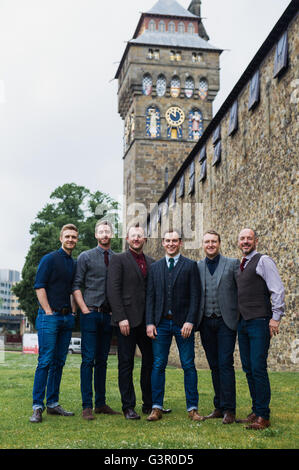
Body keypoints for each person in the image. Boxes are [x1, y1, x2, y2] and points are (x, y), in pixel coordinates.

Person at [146, 228, 204, 422]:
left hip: (183, 325)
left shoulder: (190, 266)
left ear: (180, 243)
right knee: (158, 364)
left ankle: (193, 408)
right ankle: (156, 407)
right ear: (163, 243)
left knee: (188, 364)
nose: (171, 244)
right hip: (161, 323)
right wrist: (150, 323)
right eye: (167, 240)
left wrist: (190, 321)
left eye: (174, 240)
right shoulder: (155, 267)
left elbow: (196, 296)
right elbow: (150, 297)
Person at [236, 228, 285, 430]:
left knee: (258, 367)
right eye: (242, 239)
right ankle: (256, 410)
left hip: (259, 321)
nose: (246, 241)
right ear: (238, 242)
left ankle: (263, 416)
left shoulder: (264, 261)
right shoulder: (241, 264)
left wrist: (276, 317)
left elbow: (277, 289)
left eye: (249, 238)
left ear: (256, 240)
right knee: (248, 368)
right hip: (243, 322)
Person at [30, 224, 78, 423]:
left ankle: (52, 404)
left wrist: (73, 313)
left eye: (74, 237)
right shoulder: (49, 259)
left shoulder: (73, 263)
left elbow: (72, 290)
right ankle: (37, 406)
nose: (70, 240)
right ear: (61, 238)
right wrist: (49, 312)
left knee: (59, 362)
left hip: (67, 319)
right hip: (49, 317)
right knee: (45, 361)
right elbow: (39, 286)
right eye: (67, 236)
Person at [72, 220, 120, 420]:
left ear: (112, 234)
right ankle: (87, 405)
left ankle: (100, 403)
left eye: (108, 231)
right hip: (90, 314)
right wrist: (84, 310)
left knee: (102, 360)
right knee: (88, 359)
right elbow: (76, 285)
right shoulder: (86, 257)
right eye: (101, 231)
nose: (105, 234)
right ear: (95, 235)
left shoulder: (118, 259)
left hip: (108, 316)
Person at [107, 224, 154, 419]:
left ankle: (150, 404)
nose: (136, 239)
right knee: (126, 364)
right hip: (126, 321)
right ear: (127, 239)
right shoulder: (118, 260)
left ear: (145, 239)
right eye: (133, 236)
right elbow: (113, 290)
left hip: (147, 322)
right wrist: (120, 317)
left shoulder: (152, 262)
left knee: (150, 362)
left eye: (140, 236)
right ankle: (128, 406)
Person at [197, 230, 239, 424]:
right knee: (214, 365)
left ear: (219, 243)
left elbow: (241, 291)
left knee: (225, 363)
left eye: (214, 241)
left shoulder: (232, 264)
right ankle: (219, 406)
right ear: (203, 245)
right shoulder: (197, 266)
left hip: (226, 321)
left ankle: (230, 409)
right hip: (206, 322)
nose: (210, 245)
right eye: (207, 242)